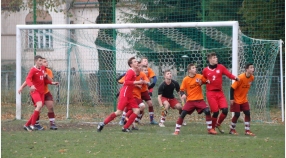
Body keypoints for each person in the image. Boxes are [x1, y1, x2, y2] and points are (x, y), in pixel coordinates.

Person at [97, 57, 148, 132]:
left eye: (137, 61)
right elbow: (126, 82)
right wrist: (138, 82)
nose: (137, 63)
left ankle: (125, 127)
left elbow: (131, 83)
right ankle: (102, 123)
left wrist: (140, 82)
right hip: (125, 94)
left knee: (137, 110)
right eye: (135, 62)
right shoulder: (130, 71)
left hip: (130, 95)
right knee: (119, 112)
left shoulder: (134, 72)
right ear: (131, 65)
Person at [173, 64, 216, 135]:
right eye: (193, 68)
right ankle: (176, 130)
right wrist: (182, 94)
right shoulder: (186, 79)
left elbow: (207, 81)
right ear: (189, 70)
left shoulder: (200, 76)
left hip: (200, 100)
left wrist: (203, 82)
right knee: (183, 113)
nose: (195, 69)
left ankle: (210, 129)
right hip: (190, 101)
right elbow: (181, 90)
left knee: (207, 111)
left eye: (195, 67)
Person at [202, 52, 239, 134]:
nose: (216, 59)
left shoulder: (221, 67)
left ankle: (218, 124)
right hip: (211, 93)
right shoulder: (205, 70)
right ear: (210, 59)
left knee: (225, 110)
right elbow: (202, 79)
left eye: (216, 57)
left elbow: (228, 74)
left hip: (220, 92)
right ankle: (212, 128)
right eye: (214, 58)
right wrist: (205, 81)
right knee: (215, 112)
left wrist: (235, 77)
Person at [18, 58, 58, 130]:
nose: (46, 63)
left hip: (45, 92)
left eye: (46, 61)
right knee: (38, 107)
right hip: (36, 92)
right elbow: (28, 79)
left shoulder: (47, 70)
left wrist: (49, 79)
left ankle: (52, 123)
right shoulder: (34, 70)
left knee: (49, 107)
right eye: (44, 61)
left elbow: (49, 80)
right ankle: (34, 125)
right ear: (39, 62)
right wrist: (22, 87)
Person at [229, 63, 255, 136]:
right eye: (251, 67)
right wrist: (231, 98)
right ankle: (232, 129)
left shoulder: (252, 78)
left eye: (253, 67)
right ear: (247, 69)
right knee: (237, 114)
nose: (253, 69)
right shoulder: (240, 77)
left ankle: (247, 130)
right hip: (236, 99)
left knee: (247, 113)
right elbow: (232, 88)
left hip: (244, 99)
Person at [140, 57, 158, 124]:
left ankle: (151, 120)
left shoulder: (149, 69)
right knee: (137, 107)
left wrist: (152, 85)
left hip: (145, 91)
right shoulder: (137, 70)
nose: (146, 62)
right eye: (144, 61)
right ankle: (124, 118)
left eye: (147, 61)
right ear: (141, 62)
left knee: (150, 104)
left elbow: (155, 78)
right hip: (137, 92)